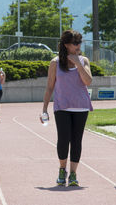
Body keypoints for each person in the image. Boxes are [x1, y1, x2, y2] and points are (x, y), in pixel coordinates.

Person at [42, 30, 93, 187]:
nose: (78, 46)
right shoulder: (55, 63)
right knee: (63, 140)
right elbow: (50, 87)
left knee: (77, 141)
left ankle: (73, 174)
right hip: (62, 106)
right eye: (75, 43)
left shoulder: (83, 60)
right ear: (66, 45)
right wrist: (44, 109)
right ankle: (62, 170)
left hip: (81, 107)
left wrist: (78, 63)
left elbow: (88, 81)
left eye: (79, 42)